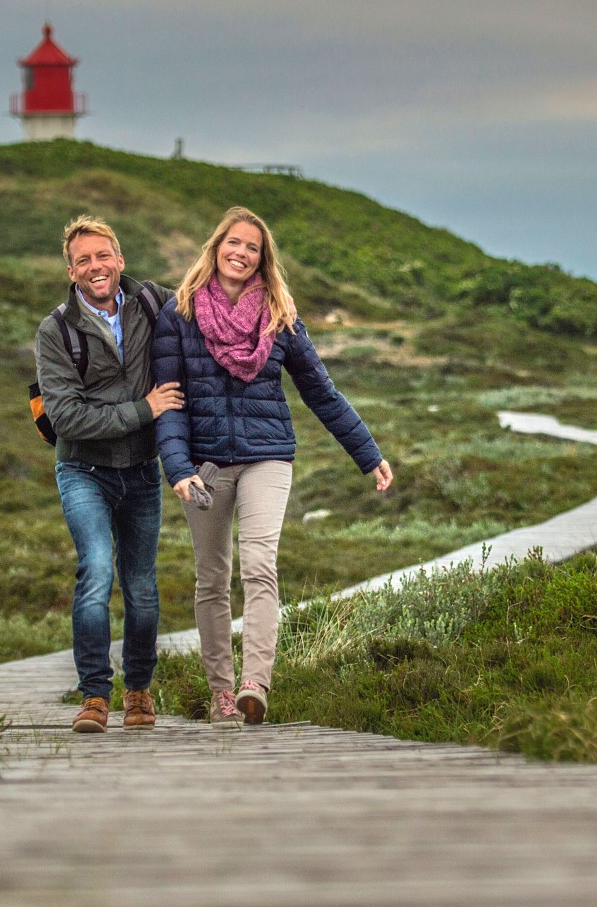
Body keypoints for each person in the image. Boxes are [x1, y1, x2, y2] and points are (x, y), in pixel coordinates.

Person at [153, 206, 393, 726]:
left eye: (252, 247)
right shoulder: (179, 315)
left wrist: (367, 454)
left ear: (264, 260)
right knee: (212, 578)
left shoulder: (281, 317)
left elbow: (321, 394)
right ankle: (220, 692)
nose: (240, 253)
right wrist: (177, 467)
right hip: (203, 465)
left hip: (267, 457)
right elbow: (167, 401)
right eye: (232, 243)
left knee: (259, 565)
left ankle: (253, 684)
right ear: (215, 248)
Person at [35, 216, 183, 733]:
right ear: (71, 271)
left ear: (119, 259)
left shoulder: (153, 301)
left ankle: (139, 692)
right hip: (82, 471)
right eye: (83, 261)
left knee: (141, 587)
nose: (95, 267)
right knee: (96, 573)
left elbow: (208, 308)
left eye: (103, 256)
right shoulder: (56, 331)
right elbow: (66, 418)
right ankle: (95, 696)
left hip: (142, 471)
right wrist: (145, 410)